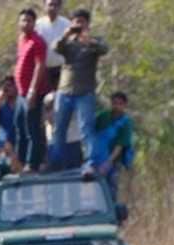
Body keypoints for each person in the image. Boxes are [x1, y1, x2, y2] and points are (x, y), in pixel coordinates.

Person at [45, 9, 108, 172]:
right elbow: (55, 48)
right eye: (76, 21)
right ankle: (56, 163)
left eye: (82, 21)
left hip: (85, 92)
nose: (79, 24)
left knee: (86, 128)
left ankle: (91, 163)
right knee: (59, 129)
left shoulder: (94, 41)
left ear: (88, 23)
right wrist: (66, 35)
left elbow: (104, 49)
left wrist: (88, 40)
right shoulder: (67, 42)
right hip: (64, 92)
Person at [12, 7, 49, 170]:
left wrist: (33, 90)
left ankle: (32, 163)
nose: (25, 23)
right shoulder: (22, 39)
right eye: (23, 20)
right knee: (19, 125)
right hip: (21, 93)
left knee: (32, 128)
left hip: (33, 93)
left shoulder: (38, 41)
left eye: (29, 20)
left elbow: (40, 66)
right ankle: (20, 160)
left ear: (34, 23)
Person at [92, 90, 135, 199]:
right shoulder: (103, 116)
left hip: (114, 161)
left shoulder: (126, 122)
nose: (117, 106)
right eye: (114, 103)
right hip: (98, 158)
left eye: (120, 104)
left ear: (125, 105)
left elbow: (120, 145)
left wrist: (108, 162)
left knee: (111, 189)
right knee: (96, 189)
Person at [35, 0, 72, 107]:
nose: (52, 8)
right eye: (50, 4)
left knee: (60, 102)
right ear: (45, 6)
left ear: (60, 6)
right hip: (43, 70)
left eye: (55, 5)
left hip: (61, 70)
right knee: (44, 101)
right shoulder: (38, 24)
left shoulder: (67, 24)